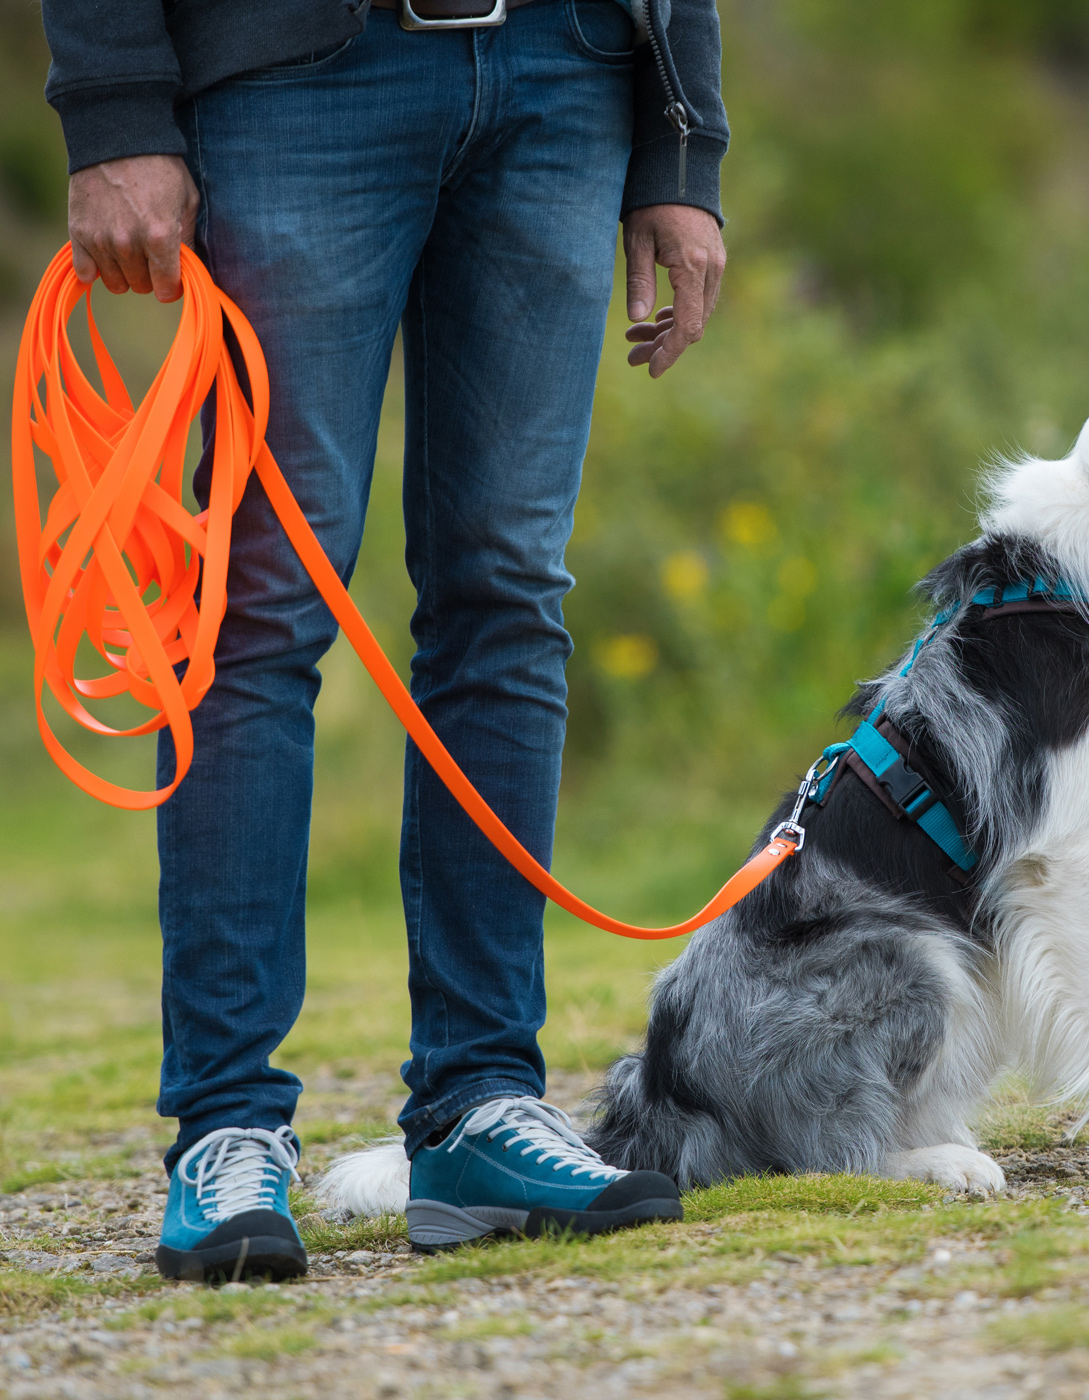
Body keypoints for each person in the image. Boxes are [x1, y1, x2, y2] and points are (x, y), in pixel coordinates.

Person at [39, 0, 728, 1281]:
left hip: (564, 67)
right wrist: (116, 108)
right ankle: (229, 1122)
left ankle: (478, 1105)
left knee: (509, 595)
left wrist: (682, 141)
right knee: (257, 604)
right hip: (297, 76)